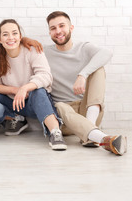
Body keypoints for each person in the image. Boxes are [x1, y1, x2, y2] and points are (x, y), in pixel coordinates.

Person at [0, 19, 67, 151]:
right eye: (5, 34)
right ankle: (14, 118)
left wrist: (24, 88)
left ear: (20, 37)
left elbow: (45, 76)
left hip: (33, 101)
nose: (10, 37)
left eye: (14, 33)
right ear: (0, 39)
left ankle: (55, 133)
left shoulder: (32, 50)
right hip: (11, 102)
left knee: (39, 90)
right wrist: (14, 90)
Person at [42, 11, 126, 155]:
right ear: (49, 32)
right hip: (65, 119)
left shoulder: (83, 48)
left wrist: (83, 75)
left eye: (62, 26)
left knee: (98, 68)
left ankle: (90, 129)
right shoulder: (44, 52)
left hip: (87, 110)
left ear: (71, 28)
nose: (58, 31)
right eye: (53, 28)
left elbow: (107, 53)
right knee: (59, 105)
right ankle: (101, 138)